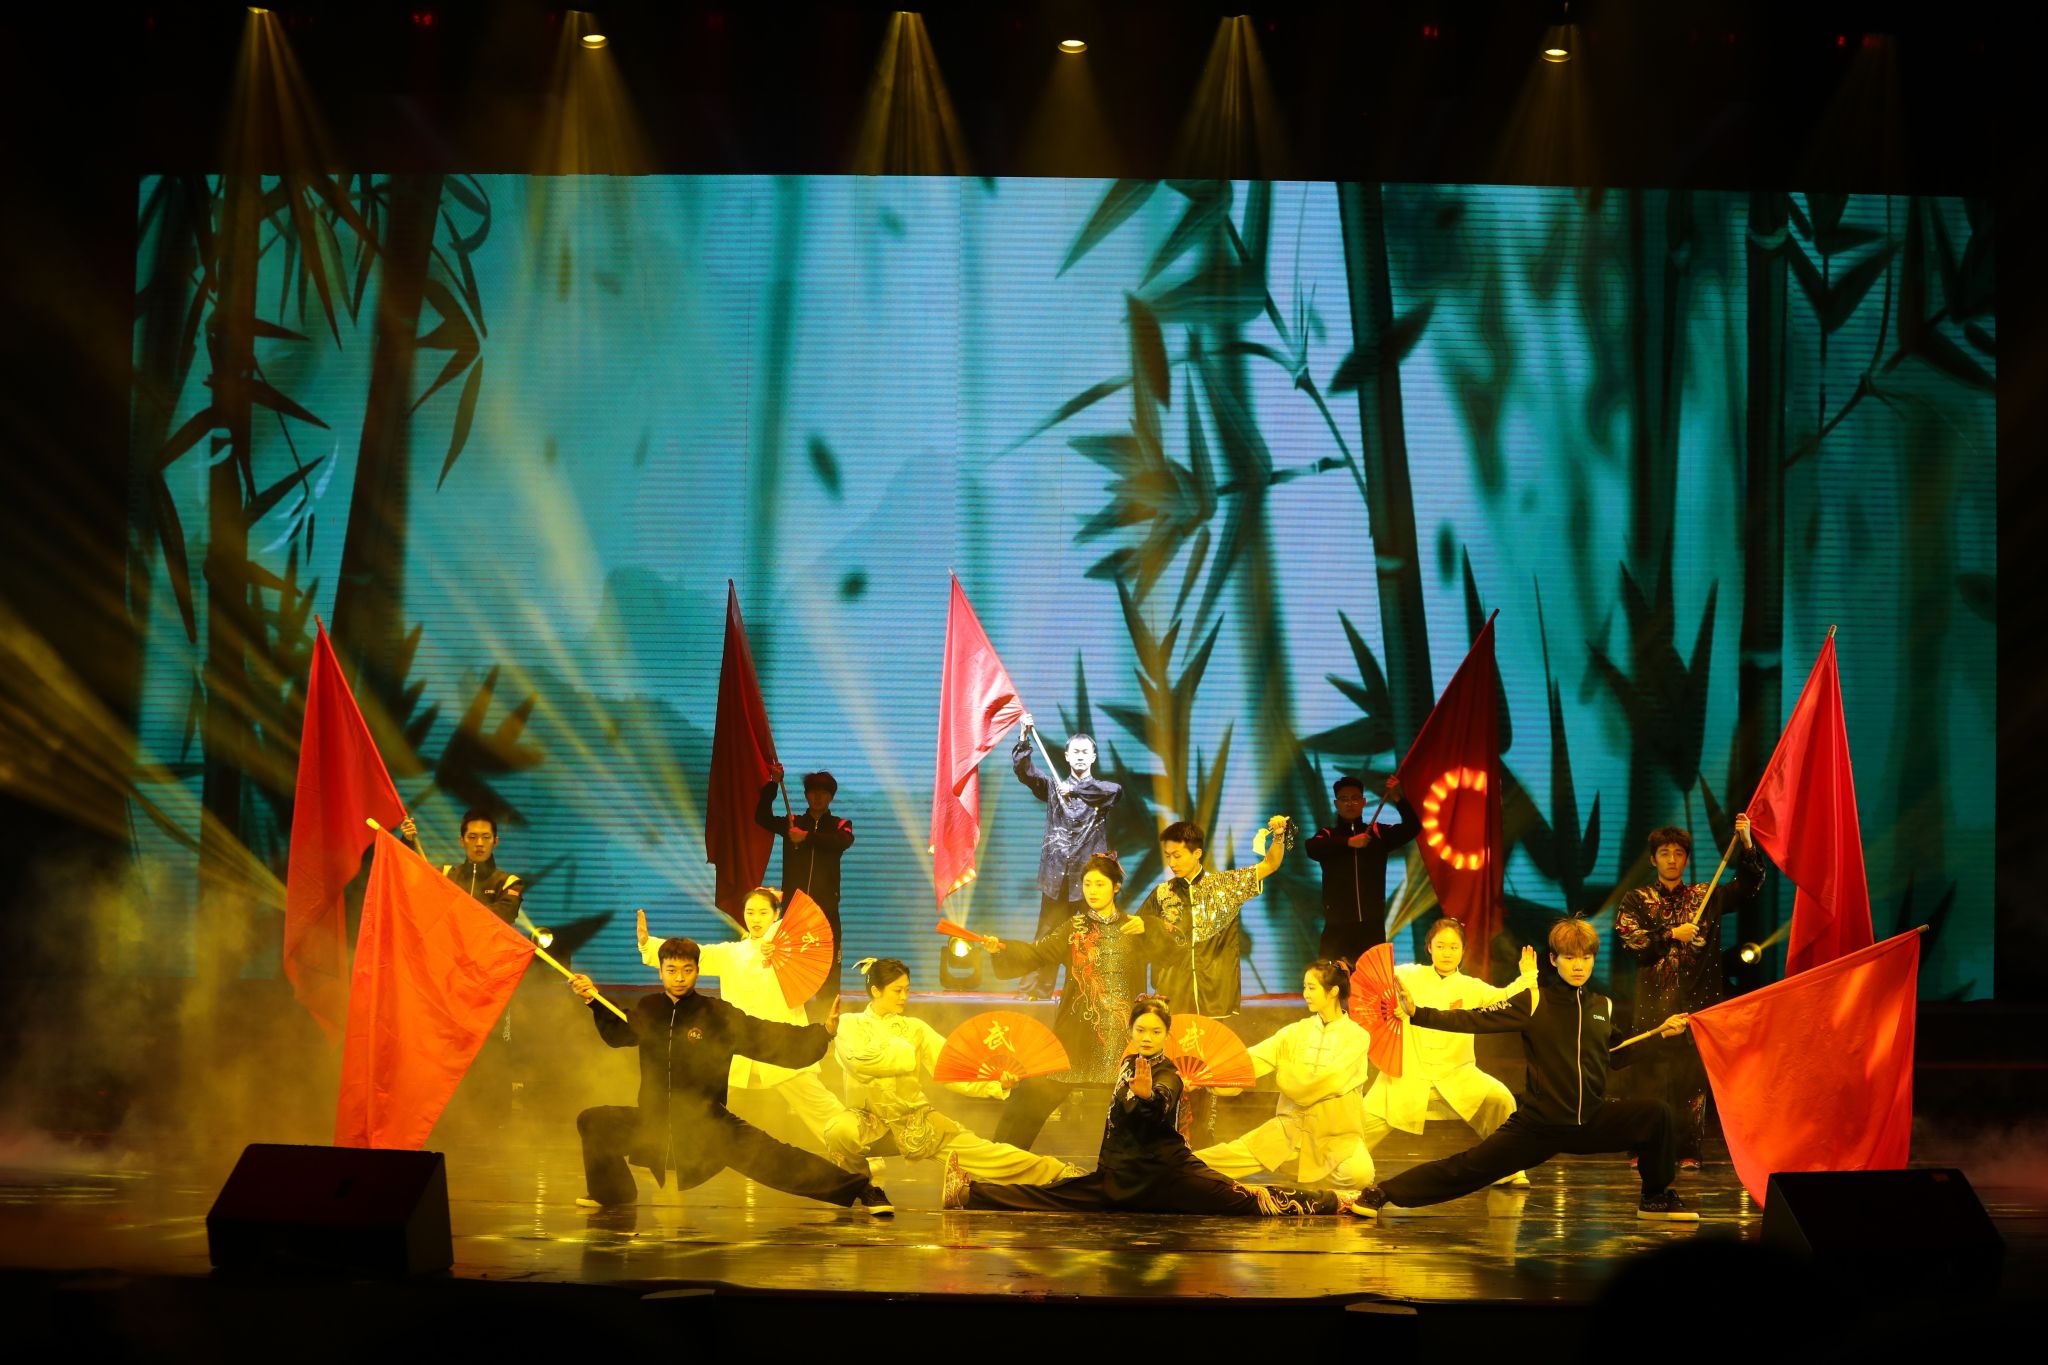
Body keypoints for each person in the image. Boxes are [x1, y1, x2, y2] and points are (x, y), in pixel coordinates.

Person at [1349, 917, 1699, 1222]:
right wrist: (1418, 1014)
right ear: (1554, 960)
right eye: (1570, 958)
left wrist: (1661, 1036)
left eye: (1586, 957)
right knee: (1467, 1168)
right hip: (1539, 1126)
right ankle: (1384, 1192)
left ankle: (1654, 1197)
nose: (1578, 966)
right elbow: (1473, 1018)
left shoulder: (1601, 1006)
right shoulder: (1535, 1001)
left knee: (1656, 1115)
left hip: (1589, 1121)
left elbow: (1616, 1055)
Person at [568, 936, 895, 1216]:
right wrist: (593, 1000)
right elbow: (621, 1031)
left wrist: (821, 1033)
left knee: (777, 1160)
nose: (679, 978)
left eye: (687, 970)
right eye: (672, 970)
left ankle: (862, 1189)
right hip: (655, 1123)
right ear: (661, 971)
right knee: (595, 1121)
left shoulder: (716, 1014)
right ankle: (613, 1192)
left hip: (706, 1125)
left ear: (697, 970)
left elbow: (764, 1036)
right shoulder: (649, 1008)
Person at [945, 996, 1357, 1217]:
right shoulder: (1129, 1064)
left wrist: (1145, 1097)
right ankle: (966, 1193)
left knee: (1246, 1200)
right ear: (1130, 1030)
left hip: (1167, 1175)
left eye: (1155, 1032)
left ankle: (1333, 1201)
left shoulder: (1168, 1073)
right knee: (1050, 1196)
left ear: (1165, 1035)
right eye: (1140, 1029)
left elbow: (1159, 1106)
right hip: (1120, 1176)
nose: (1146, 1037)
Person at [637, 888, 865, 1171]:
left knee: (816, 1104)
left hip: (781, 1041)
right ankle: (676, 1154)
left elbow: (799, 936)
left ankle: (861, 1153)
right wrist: (648, 945)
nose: (755, 919)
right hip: (739, 1042)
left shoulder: (788, 946)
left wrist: (775, 943)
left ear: (776, 915)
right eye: (750, 912)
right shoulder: (732, 953)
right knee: (699, 1098)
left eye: (763, 912)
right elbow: (694, 955)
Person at [977, 853, 1178, 1150]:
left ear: (1116, 887)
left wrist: (1150, 926)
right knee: (1032, 1096)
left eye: (1100, 884)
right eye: (1087, 884)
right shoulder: (1075, 928)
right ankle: (1001, 1158)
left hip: (1124, 1043)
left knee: (1143, 1112)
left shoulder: (1134, 927)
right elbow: (1038, 954)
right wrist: (1001, 950)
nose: (1092, 891)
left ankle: (1159, 1165)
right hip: (1077, 1038)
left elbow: (1173, 952)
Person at [834, 958, 1079, 1184]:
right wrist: (905, 1054)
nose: (904, 997)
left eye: (907, 989)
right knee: (838, 1130)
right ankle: (863, 1185)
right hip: (867, 1120)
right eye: (897, 991)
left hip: (914, 1121)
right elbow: (859, 1064)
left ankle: (1054, 1170)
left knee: (984, 1153)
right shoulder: (848, 1023)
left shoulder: (915, 1029)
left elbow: (952, 1067)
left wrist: (996, 1081)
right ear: (876, 991)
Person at [1614, 814, 1763, 1169]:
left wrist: (1746, 842)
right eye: (1664, 853)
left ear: (1686, 859)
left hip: (1698, 1005)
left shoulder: (1704, 896)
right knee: (1648, 1080)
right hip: (1653, 1007)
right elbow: (1630, 940)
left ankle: (1688, 1151)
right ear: (1653, 859)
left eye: (1678, 853)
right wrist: (1670, 934)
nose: (1671, 859)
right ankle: (1644, 1148)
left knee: (1691, 1082)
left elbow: (1749, 885)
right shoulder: (1637, 899)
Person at [1361, 919, 1538, 1185]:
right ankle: (1340, 1167)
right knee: (1359, 1125)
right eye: (1440, 946)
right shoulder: (1407, 975)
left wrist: (1527, 977)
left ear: (1463, 951)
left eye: (1453, 947)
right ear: (1429, 948)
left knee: (1501, 1099)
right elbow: (1373, 981)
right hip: (1407, 1074)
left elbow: (1506, 998)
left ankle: (1509, 1169)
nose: (1447, 953)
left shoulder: (1471, 987)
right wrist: (1387, 1004)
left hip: (1458, 1073)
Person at [1193, 960, 1377, 1191]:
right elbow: (1252, 1060)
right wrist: (1207, 1075)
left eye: (1312, 988)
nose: (1305, 994)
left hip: (1335, 1135)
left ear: (1333, 991)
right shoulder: (1295, 1032)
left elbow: (1327, 1081)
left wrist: (1285, 1073)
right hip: (1290, 1129)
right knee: (1222, 1158)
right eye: (1304, 987)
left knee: (1360, 1175)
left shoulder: (1357, 1037)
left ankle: (1312, 1183)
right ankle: (1175, 1165)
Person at [1011, 714, 1122, 999]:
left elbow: (1115, 790)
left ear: (1093, 757)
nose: (1081, 756)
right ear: (1067, 756)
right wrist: (1024, 736)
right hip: (1057, 878)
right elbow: (1025, 772)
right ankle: (1035, 992)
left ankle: (1096, 995)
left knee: (1095, 938)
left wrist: (1074, 789)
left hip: (1091, 882)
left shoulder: (1101, 792)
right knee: (1047, 936)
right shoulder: (1053, 788)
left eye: (1086, 752)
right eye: (1076, 752)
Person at [1146, 816, 1291, 1018]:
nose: (1171, 863)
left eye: (1177, 856)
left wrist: (1278, 836)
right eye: (1168, 856)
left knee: (1213, 1038)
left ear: (1197, 853)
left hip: (1214, 993)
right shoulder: (1162, 893)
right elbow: (1139, 929)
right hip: (1173, 993)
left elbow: (1270, 865)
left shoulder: (1225, 885)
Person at [755, 763, 854, 1004]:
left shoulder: (841, 824)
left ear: (831, 797)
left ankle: (827, 1019)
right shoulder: (792, 822)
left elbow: (841, 841)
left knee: (829, 966)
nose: (818, 797)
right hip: (794, 909)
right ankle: (792, 1015)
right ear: (806, 795)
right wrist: (773, 783)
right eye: (813, 792)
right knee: (791, 964)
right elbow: (761, 817)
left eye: (824, 793)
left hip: (826, 909)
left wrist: (806, 837)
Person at [1304, 775, 1418, 962]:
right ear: (1336, 804)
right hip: (1337, 925)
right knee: (1330, 977)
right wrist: (1349, 842)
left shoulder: (1377, 833)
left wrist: (1396, 796)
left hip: (1372, 925)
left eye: (1355, 798)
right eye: (1344, 799)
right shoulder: (1328, 835)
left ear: (1364, 802)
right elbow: (1311, 848)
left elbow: (1413, 827)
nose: (1350, 803)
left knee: (1374, 977)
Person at [401, 808, 534, 934]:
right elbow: (409, 884)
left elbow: (505, 914)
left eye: (486, 837)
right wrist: (407, 842)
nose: (479, 843)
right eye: (472, 837)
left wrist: (457, 915)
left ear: (495, 841)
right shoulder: (445, 875)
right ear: (462, 841)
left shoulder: (509, 883)